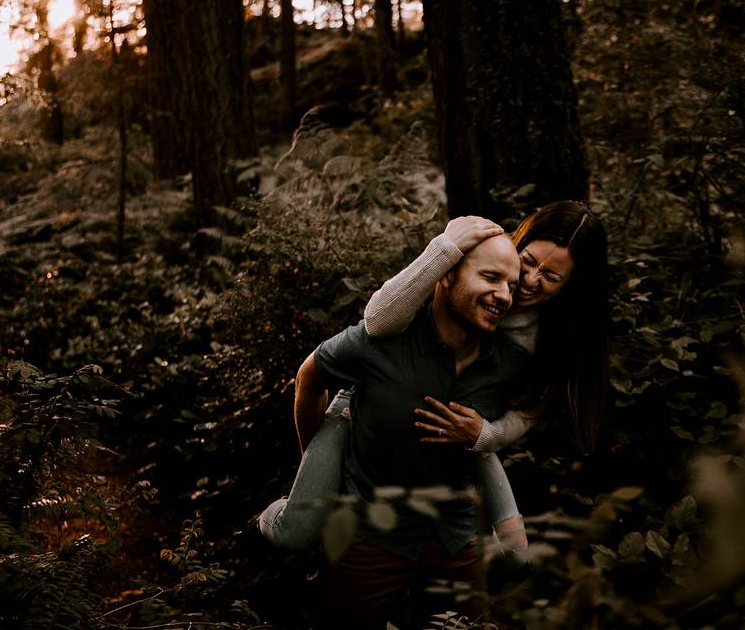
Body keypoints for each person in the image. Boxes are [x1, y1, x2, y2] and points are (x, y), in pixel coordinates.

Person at [260, 201, 609, 552]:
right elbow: (377, 323)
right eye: (529, 262)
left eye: (551, 277)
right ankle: (265, 516)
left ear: (571, 287)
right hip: (375, 402)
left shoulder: (553, 335)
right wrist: (445, 249)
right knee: (299, 532)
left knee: (517, 557)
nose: (530, 281)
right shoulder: (477, 265)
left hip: (465, 426)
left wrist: (485, 435)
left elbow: (532, 409)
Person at [289, 233, 528, 627]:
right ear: (446, 275)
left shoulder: (509, 361)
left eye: (512, 286)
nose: (503, 295)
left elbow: (537, 407)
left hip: (457, 539)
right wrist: (316, 462)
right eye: (490, 277)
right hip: (368, 537)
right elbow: (309, 377)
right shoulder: (380, 343)